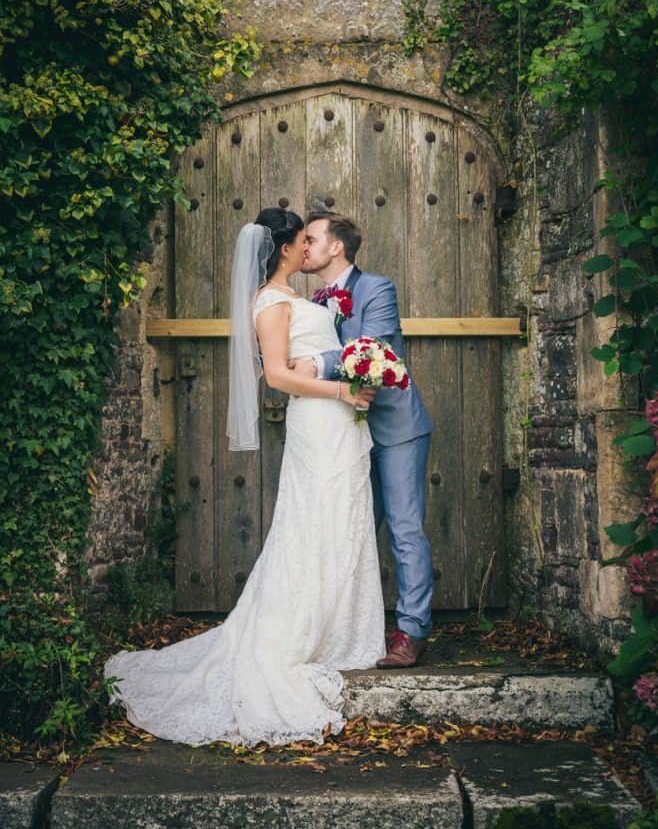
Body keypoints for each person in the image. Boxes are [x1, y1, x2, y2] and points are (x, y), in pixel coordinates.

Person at [103, 207, 385, 747]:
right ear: (283, 249)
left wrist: (345, 375)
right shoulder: (271, 303)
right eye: (304, 241)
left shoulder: (302, 298)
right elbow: (277, 376)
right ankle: (299, 635)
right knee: (313, 522)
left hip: (340, 423)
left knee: (340, 518)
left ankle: (343, 630)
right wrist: (342, 390)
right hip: (319, 418)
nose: (310, 249)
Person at [294, 212, 434, 668]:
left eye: (311, 239)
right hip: (343, 433)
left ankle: (412, 632)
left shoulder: (377, 288)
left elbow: (373, 348)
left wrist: (316, 362)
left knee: (405, 530)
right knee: (347, 532)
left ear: (337, 247)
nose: (304, 246)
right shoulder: (316, 298)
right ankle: (344, 632)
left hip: (395, 429)